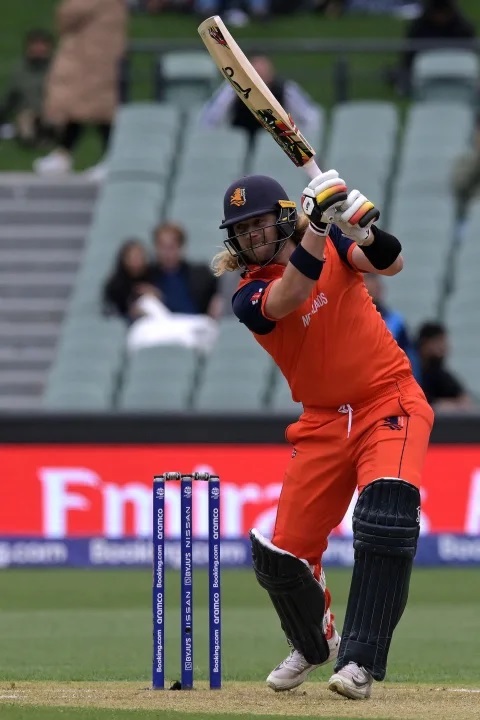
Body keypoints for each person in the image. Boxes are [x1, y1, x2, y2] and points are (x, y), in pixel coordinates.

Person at [212, 170, 434, 699]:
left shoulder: (332, 241)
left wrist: (363, 230)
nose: (251, 236)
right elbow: (292, 293)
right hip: (322, 422)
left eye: (259, 224)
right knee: (284, 556)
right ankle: (314, 642)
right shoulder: (248, 294)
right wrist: (317, 226)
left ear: (283, 218)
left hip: (389, 401)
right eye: (241, 230)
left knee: (384, 519)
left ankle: (359, 661)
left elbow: (392, 263)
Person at [34, 0, 127, 180]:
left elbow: (68, 14)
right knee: (78, 107)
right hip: (92, 54)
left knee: (101, 111)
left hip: (93, 57)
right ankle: (63, 154)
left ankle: (111, 158)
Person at [198, 55, 320, 142]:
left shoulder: (285, 90)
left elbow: (310, 118)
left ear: (271, 75)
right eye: (255, 75)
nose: (259, 81)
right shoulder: (232, 89)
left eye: (262, 75)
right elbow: (211, 118)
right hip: (240, 141)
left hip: (275, 145)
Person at [396, 0, 476, 95]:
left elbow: (471, 57)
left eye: (443, 13)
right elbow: (408, 58)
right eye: (438, 14)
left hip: (456, 69)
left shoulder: (463, 29)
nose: (440, 18)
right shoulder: (418, 27)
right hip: (425, 70)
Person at [146, 222, 223, 319]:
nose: (166, 253)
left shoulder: (200, 275)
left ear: (181, 247)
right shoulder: (147, 277)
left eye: (171, 247)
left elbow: (220, 291)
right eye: (162, 247)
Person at [0, 29, 54, 148]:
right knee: (25, 123)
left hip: (52, 112)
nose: (38, 50)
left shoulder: (57, 69)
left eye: (42, 45)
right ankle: (33, 141)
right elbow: (9, 98)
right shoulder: (20, 71)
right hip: (29, 113)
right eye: (35, 45)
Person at [363, 272, 419, 374]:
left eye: (378, 278)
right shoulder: (347, 319)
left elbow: (411, 361)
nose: (378, 283)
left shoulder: (396, 321)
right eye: (371, 278)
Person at [416, 321, 474, 411]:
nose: (443, 347)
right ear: (424, 344)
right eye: (438, 341)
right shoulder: (413, 372)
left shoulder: (440, 374)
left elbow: (464, 400)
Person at [103, 239, 151, 322]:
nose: (136, 261)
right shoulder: (115, 286)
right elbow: (112, 309)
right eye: (133, 257)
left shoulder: (153, 277)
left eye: (139, 257)